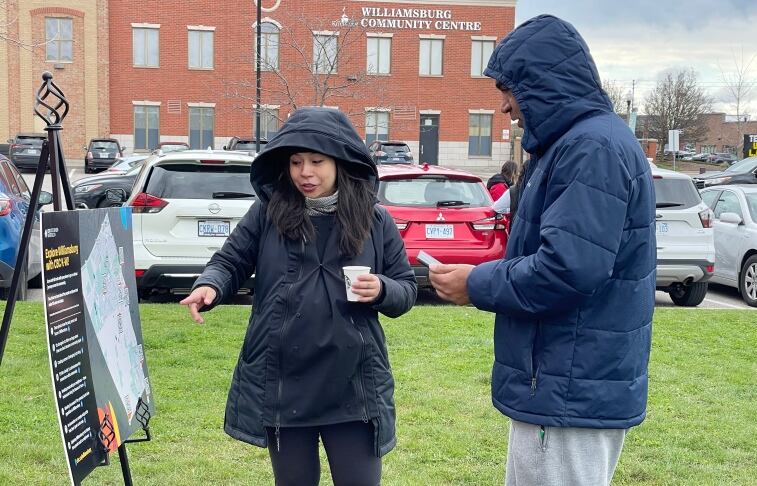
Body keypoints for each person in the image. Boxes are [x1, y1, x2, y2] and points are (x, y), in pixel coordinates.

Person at [429, 14, 655, 486]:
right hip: (563, 385)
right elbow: (555, 250)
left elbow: (568, 270)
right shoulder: (575, 144)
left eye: (509, 88)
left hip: (568, 390)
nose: (505, 105)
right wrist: (484, 270)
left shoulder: (591, 148)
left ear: (541, 82)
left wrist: (476, 284)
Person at [181, 107, 417, 486]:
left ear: (340, 161)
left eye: (317, 161)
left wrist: (383, 289)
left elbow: (406, 288)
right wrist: (210, 285)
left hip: (354, 386)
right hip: (285, 383)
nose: (305, 172)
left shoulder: (375, 220)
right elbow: (230, 260)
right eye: (295, 162)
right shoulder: (268, 213)